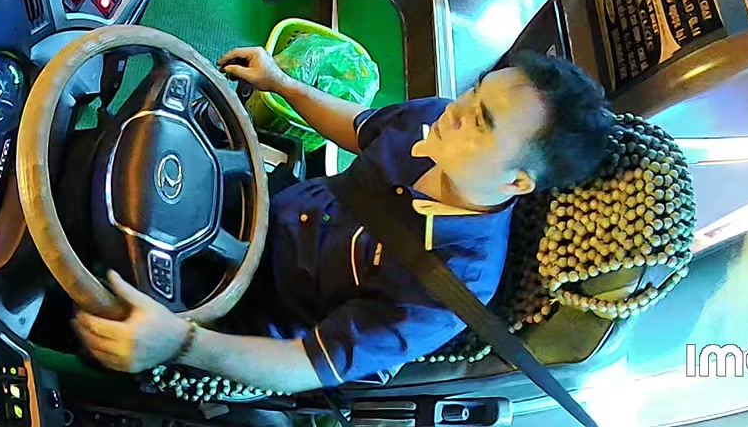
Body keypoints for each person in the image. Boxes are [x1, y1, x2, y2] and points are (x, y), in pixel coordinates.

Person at [72, 49, 614, 394]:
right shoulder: (434, 120)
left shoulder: (449, 287)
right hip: (263, 206)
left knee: (78, 304)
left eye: (483, 121)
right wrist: (282, 82)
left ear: (518, 182)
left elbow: (301, 366)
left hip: (244, 313)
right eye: (476, 90)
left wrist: (180, 342)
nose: (456, 109)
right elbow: (361, 128)